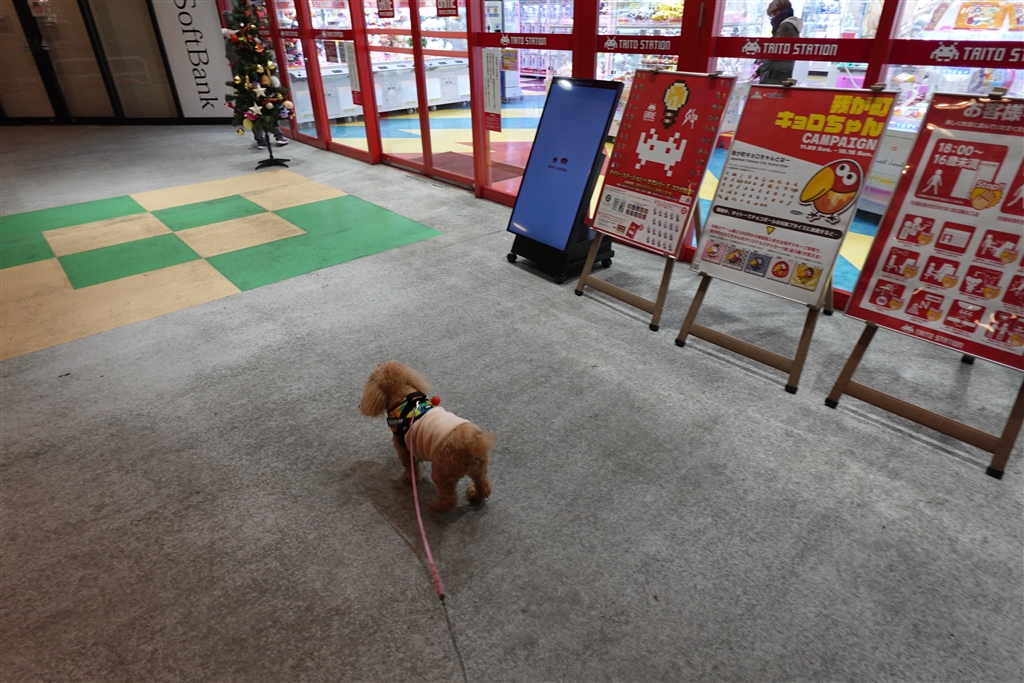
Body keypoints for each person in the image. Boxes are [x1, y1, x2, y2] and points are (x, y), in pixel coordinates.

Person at [756, 0, 802, 85]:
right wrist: (759, 70)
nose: (772, 20)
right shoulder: (790, 26)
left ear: (777, 13)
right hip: (779, 74)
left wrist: (762, 61)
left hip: (775, 76)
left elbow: (776, 54)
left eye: (771, 16)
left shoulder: (785, 27)